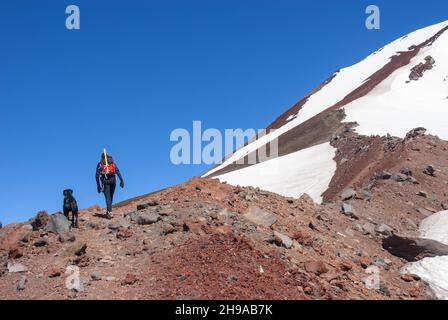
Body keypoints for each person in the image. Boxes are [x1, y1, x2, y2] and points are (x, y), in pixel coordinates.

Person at [95, 151, 124, 219]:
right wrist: (121, 180)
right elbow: (117, 171)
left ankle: (110, 212)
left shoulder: (100, 164)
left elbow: (97, 176)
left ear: (102, 157)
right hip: (113, 181)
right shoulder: (112, 162)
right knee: (111, 196)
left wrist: (98, 186)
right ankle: (109, 211)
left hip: (105, 181)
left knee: (107, 197)